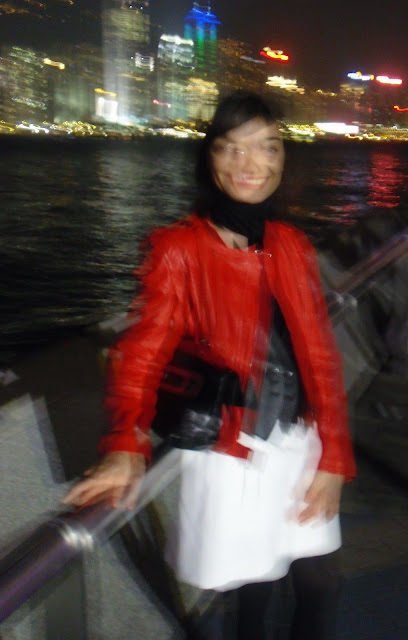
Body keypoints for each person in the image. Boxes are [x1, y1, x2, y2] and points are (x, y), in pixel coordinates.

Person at [65, 91, 356, 639]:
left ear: (283, 157)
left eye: (267, 147)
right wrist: (125, 444)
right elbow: (143, 351)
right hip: (232, 449)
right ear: (210, 159)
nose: (252, 163)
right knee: (254, 592)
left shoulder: (291, 244)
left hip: (300, 441)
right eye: (232, 148)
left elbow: (321, 356)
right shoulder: (179, 248)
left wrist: (334, 457)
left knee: (321, 583)